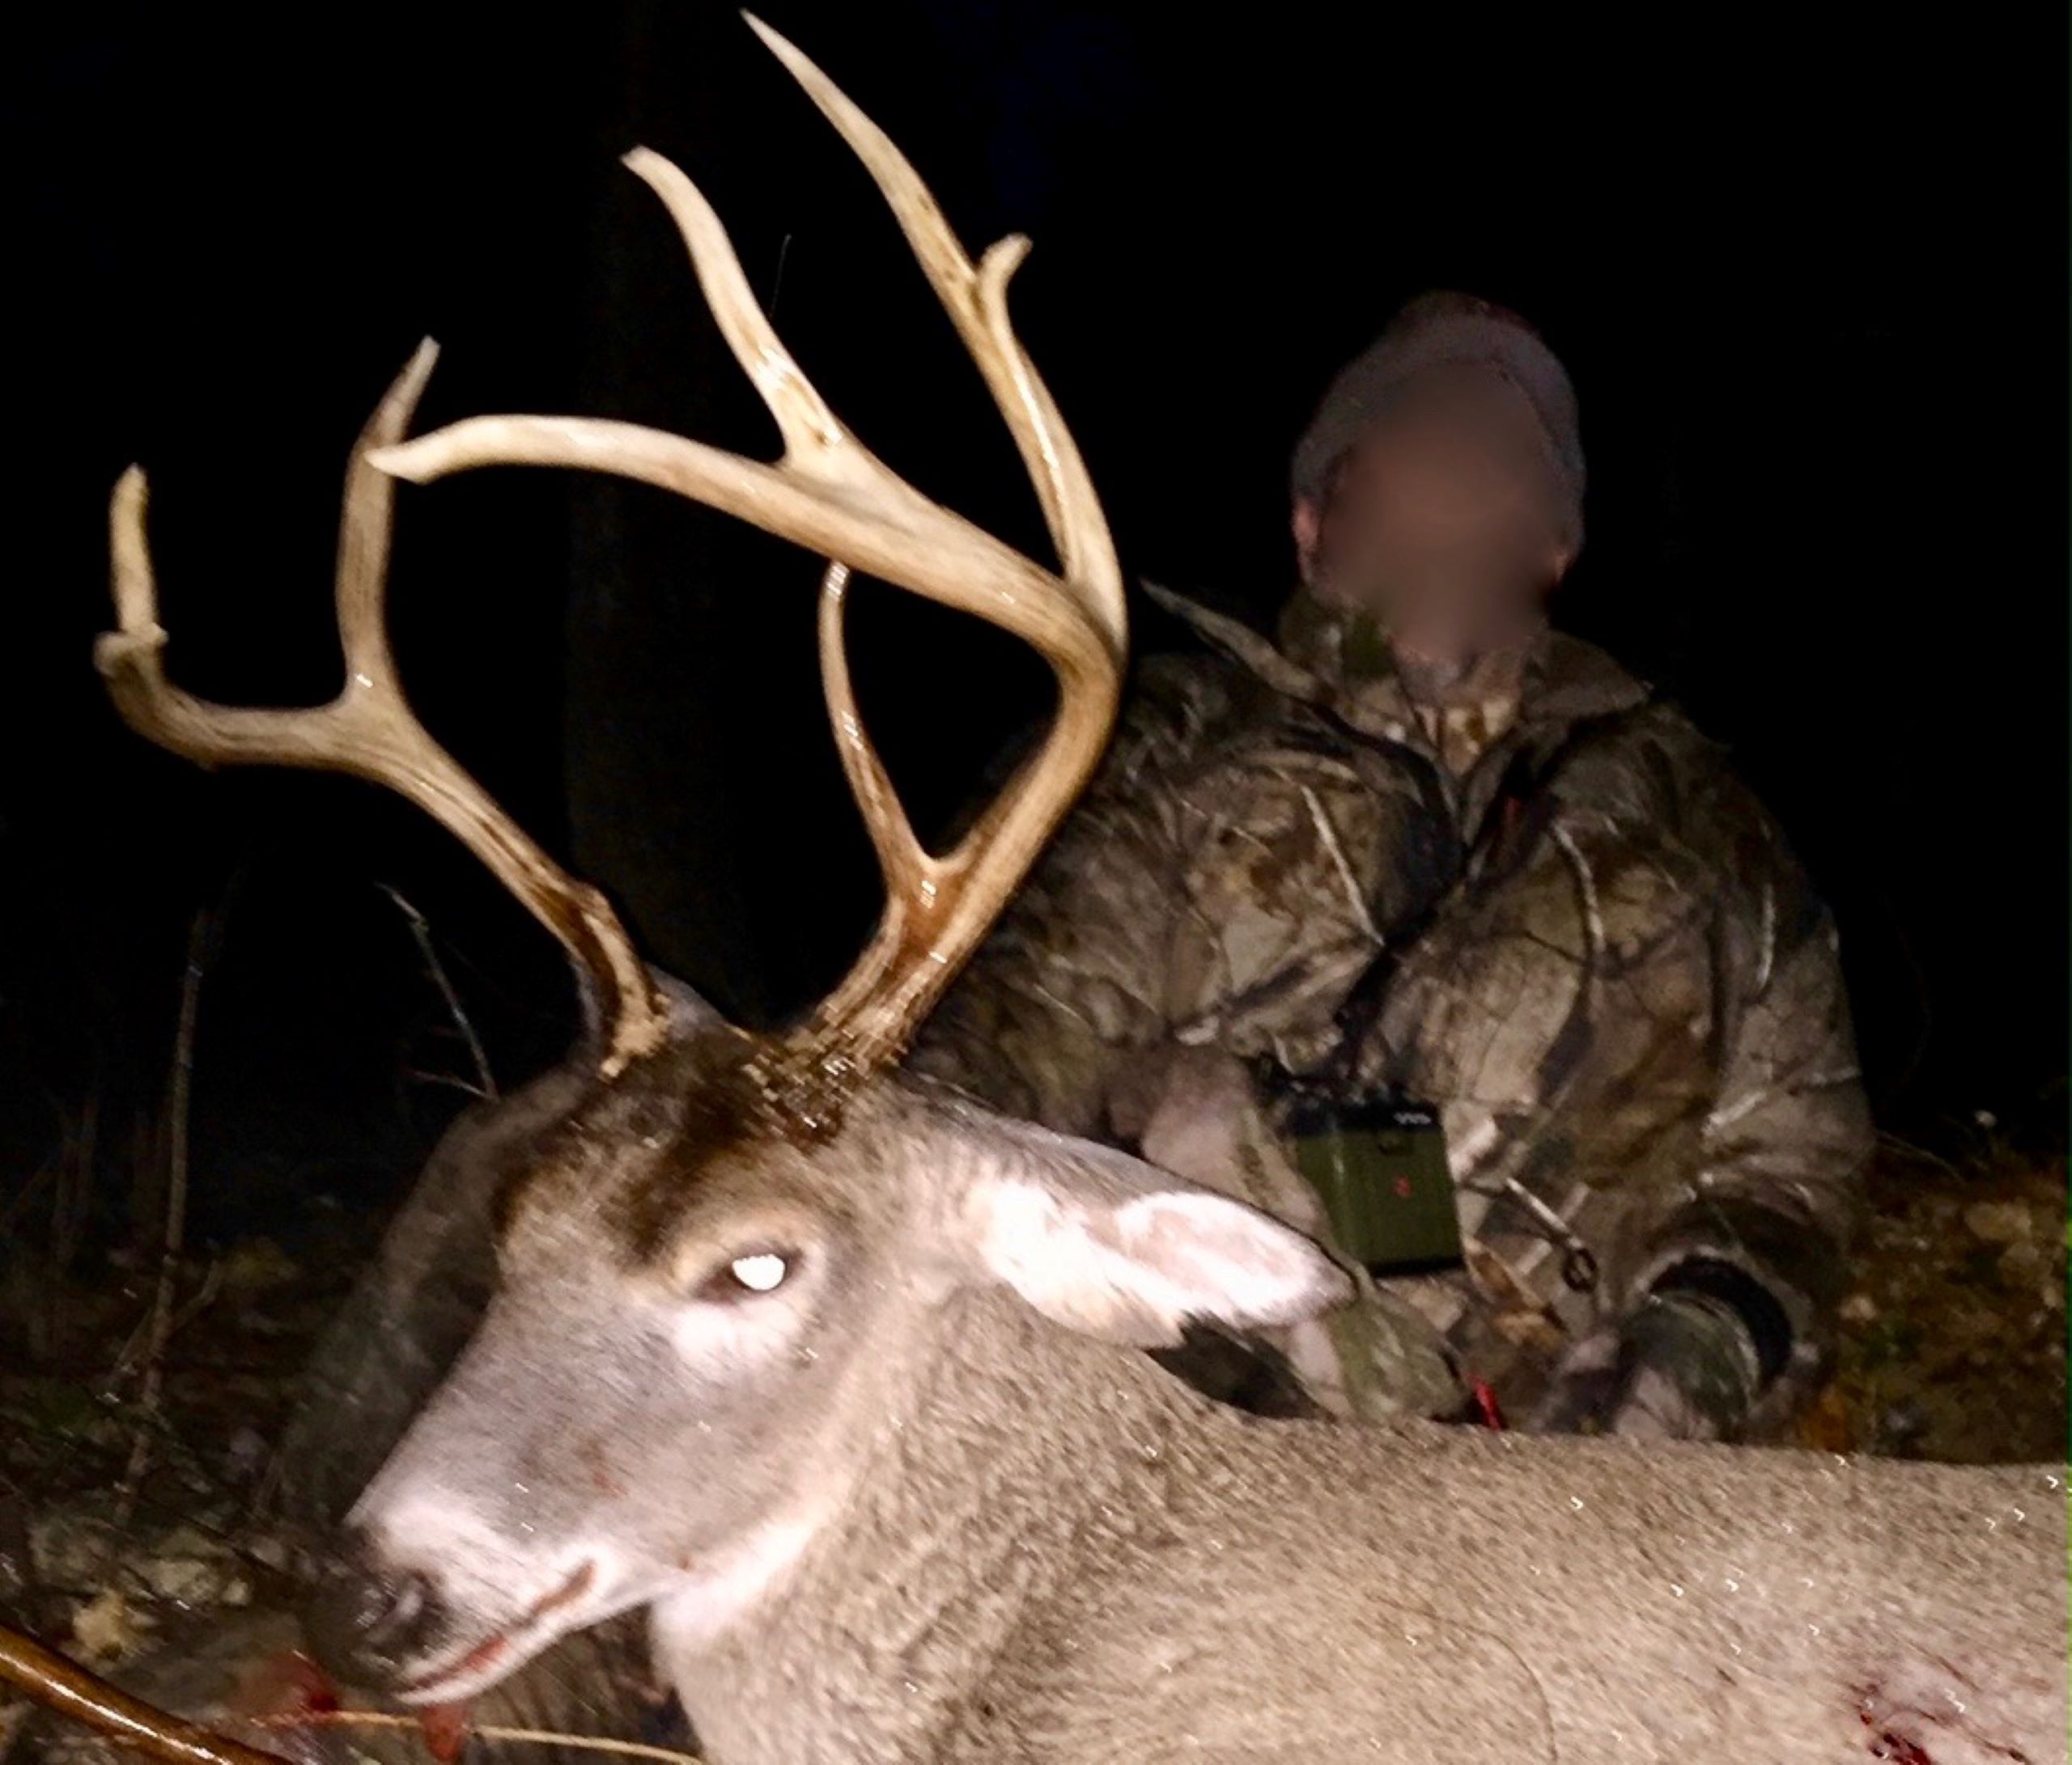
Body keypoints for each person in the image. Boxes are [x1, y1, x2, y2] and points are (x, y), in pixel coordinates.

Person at [909, 291, 1872, 1442]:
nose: (1452, 501)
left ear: (1555, 545)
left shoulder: (1703, 824)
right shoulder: (1151, 748)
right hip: (1180, 1437)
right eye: (1411, 461)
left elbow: (1788, 1170)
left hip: (1557, 1473)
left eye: (1498, 469)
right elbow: (1007, 1044)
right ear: (1312, 521)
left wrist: (1681, 1366)